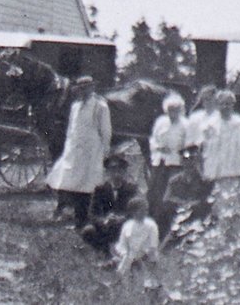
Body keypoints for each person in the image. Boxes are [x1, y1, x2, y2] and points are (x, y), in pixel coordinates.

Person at [46, 75, 112, 227]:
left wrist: (105, 149)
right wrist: (68, 146)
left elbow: (106, 130)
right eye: (80, 90)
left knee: (86, 185)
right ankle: (76, 215)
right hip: (74, 148)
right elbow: (71, 128)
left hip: (91, 149)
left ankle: (82, 219)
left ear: (92, 88)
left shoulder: (99, 106)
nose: (82, 92)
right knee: (68, 180)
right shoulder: (75, 106)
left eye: (85, 89)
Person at [81, 154, 139, 253]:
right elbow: (92, 213)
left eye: (120, 170)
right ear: (107, 172)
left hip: (123, 227)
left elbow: (137, 211)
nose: (116, 174)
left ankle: (121, 249)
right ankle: (104, 249)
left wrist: (121, 219)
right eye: (113, 170)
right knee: (88, 231)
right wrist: (104, 220)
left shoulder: (131, 189)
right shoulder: (100, 189)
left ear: (125, 172)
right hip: (105, 227)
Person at [155, 144, 213, 241]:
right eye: (186, 159)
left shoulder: (206, 183)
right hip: (176, 220)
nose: (189, 163)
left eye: (192, 159)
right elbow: (166, 202)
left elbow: (206, 204)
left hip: (194, 225)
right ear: (182, 162)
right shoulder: (174, 181)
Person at [200, 90, 240, 183]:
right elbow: (202, 151)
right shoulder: (208, 126)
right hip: (214, 175)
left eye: (228, 104)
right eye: (222, 104)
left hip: (236, 173)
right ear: (217, 105)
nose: (225, 107)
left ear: (233, 105)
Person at [147, 93, 187, 214]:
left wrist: (177, 151)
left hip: (175, 163)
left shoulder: (185, 125)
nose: (172, 113)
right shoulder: (161, 122)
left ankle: (168, 217)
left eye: (175, 110)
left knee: (169, 194)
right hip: (159, 162)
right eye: (170, 110)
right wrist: (159, 147)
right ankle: (154, 214)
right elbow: (153, 139)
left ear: (180, 110)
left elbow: (188, 145)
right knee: (155, 192)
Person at [113, 198, 160, 276]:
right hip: (129, 255)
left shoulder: (151, 225)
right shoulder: (128, 225)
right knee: (123, 259)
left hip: (145, 255)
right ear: (133, 212)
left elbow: (153, 246)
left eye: (145, 210)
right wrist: (125, 253)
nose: (144, 212)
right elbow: (123, 243)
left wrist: (145, 254)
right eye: (141, 210)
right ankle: (122, 273)